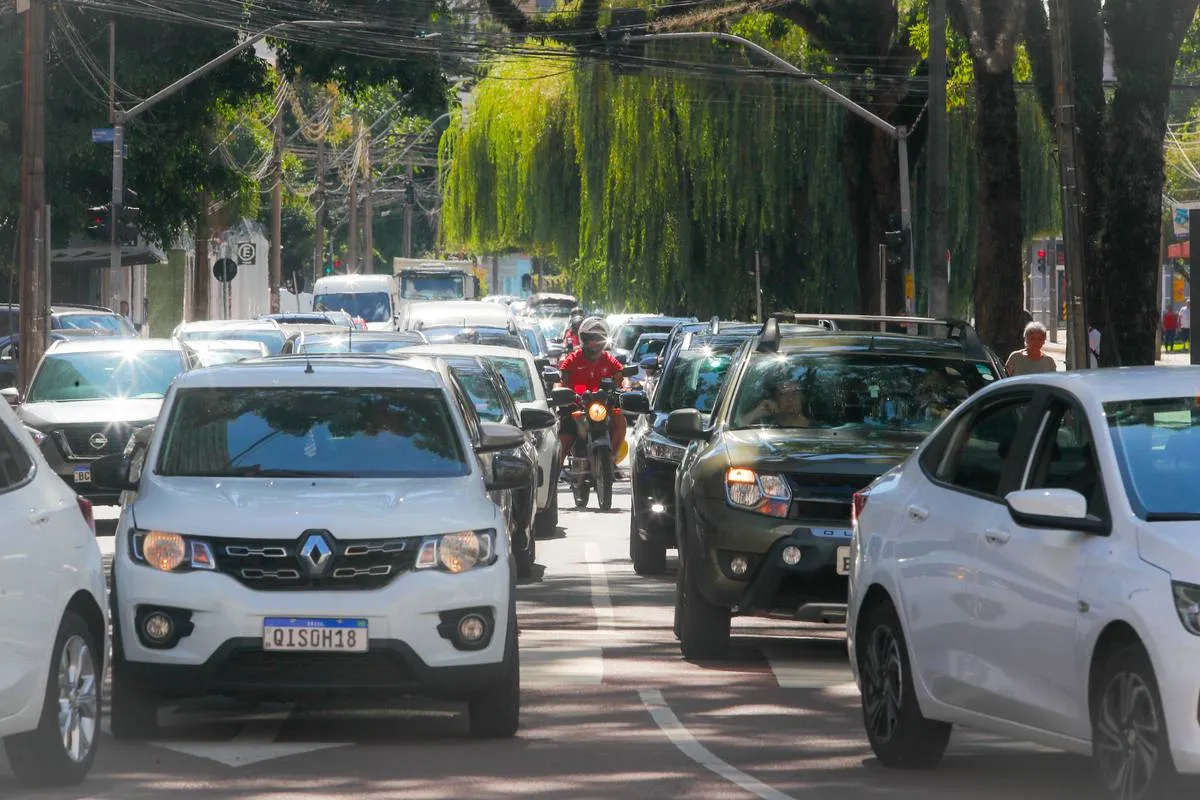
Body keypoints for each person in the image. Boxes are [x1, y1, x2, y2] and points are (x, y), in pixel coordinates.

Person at [557, 316, 630, 464]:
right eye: (590, 338)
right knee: (565, 437)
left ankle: (611, 458)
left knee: (620, 421)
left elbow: (620, 374)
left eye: (598, 338)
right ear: (583, 339)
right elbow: (561, 380)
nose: (594, 343)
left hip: (604, 407)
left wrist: (625, 387)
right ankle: (555, 475)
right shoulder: (573, 359)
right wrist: (564, 393)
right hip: (577, 406)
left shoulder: (608, 358)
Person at [740, 378, 812, 427]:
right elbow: (735, 431)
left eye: (795, 393)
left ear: (803, 398)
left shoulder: (818, 429)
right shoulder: (763, 427)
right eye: (784, 394)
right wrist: (756, 412)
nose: (790, 399)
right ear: (775, 399)